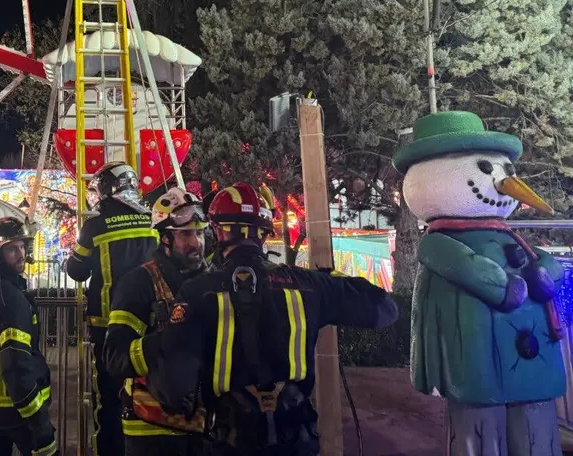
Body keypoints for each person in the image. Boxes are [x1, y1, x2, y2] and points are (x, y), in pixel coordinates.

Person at [149, 182, 399, 455]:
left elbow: (173, 389)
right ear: (265, 234)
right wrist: (328, 282)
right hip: (296, 442)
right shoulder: (308, 286)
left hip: (230, 443)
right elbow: (386, 309)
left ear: (218, 232)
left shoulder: (197, 293)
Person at [103, 187, 211, 455]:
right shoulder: (138, 283)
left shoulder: (211, 282)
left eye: (199, 233)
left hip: (205, 432)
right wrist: (167, 340)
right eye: (185, 234)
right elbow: (115, 358)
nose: (196, 242)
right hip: (151, 432)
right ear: (164, 238)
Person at [66, 162, 157, 456]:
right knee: (150, 393)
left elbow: (77, 272)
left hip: (108, 328)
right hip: (152, 326)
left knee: (109, 400)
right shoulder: (152, 220)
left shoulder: (94, 225)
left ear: (106, 188)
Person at [0, 217, 58, 456]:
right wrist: (38, 421)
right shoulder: (10, 299)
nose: (21, 254)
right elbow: (16, 365)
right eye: (12, 249)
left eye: (23, 246)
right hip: (14, 410)